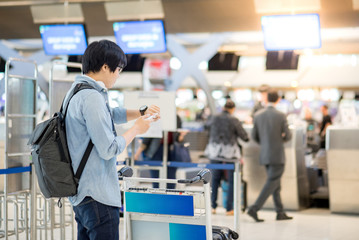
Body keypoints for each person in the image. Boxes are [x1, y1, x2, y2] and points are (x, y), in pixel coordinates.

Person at [63, 40, 160, 239]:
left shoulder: (76, 92)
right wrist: (136, 129)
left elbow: (108, 114)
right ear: (105, 67)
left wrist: (139, 112)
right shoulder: (92, 97)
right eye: (117, 70)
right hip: (99, 195)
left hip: (82, 193)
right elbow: (108, 148)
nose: (118, 75)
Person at [247, 90, 292, 222]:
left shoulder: (258, 115)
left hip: (265, 154)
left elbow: (254, 136)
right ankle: (254, 208)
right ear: (278, 100)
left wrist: (265, 144)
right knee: (272, 182)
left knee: (275, 184)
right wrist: (280, 140)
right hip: (277, 154)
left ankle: (280, 212)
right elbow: (288, 135)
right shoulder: (281, 115)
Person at [204, 99, 249, 216]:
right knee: (231, 182)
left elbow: (205, 127)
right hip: (230, 154)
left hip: (214, 152)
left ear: (223, 107)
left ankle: (212, 206)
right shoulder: (234, 120)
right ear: (233, 109)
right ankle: (229, 209)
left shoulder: (214, 118)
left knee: (214, 180)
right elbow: (245, 137)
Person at [134, 115, 188, 189]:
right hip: (156, 152)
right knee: (157, 182)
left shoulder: (176, 118)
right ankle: (158, 199)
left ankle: (169, 199)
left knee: (171, 182)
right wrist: (137, 154)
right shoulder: (157, 117)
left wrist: (181, 136)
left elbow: (178, 138)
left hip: (172, 151)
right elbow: (147, 139)